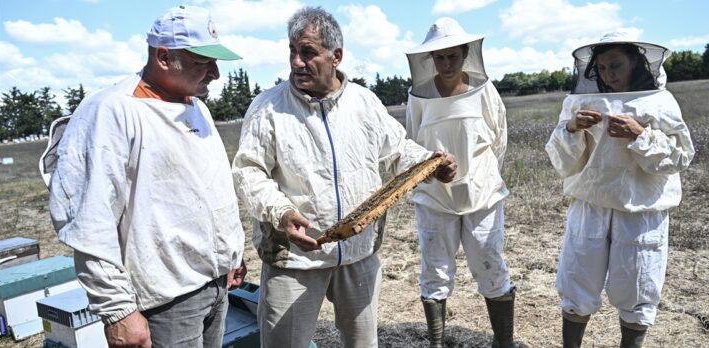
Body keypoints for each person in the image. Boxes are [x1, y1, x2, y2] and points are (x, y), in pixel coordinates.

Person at [231, 6, 457, 347]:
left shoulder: (364, 102)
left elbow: (397, 150)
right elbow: (249, 172)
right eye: (292, 51)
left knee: (362, 342)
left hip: (358, 252)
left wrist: (430, 163)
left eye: (308, 53)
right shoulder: (268, 107)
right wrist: (281, 212)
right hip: (294, 257)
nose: (296, 62)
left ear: (336, 56)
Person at [47, 6, 247, 348]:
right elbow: (89, 221)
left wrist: (230, 255)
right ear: (164, 56)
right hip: (165, 302)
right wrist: (118, 311)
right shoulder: (112, 111)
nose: (215, 73)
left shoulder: (197, 106)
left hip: (214, 285)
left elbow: (210, 189)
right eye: (203, 61)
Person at [545, 32, 695, 348]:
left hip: (642, 209)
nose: (608, 74)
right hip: (590, 206)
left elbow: (680, 156)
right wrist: (572, 128)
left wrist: (640, 134)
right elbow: (560, 161)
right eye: (601, 68)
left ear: (635, 64)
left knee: (638, 286)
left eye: (616, 65)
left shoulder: (660, 102)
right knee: (577, 280)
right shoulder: (580, 102)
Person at [404, 18, 516, 348]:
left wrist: (478, 175)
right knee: (435, 271)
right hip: (435, 197)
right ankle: (436, 343)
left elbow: (499, 140)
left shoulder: (485, 91)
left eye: (453, 56)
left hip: (482, 195)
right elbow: (412, 144)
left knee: (491, 265)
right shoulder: (419, 97)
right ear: (431, 59)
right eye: (440, 58)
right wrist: (433, 171)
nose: (447, 64)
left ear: (466, 54)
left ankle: (504, 342)